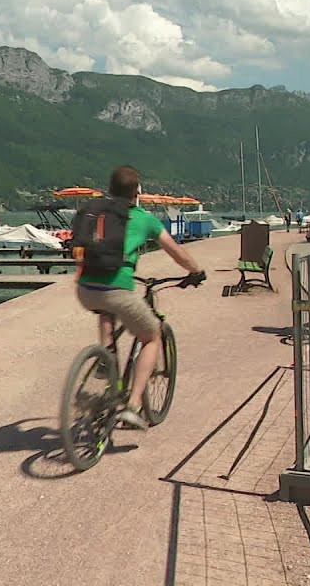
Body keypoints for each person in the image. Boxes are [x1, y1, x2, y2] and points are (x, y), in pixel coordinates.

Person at [73, 165, 205, 430]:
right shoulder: (144, 219)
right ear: (136, 192)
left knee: (105, 310)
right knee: (152, 336)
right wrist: (196, 271)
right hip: (117, 289)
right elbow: (176, 252)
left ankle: (107, 360)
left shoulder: (97, 212)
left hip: (85, 289)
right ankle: (133, 406)